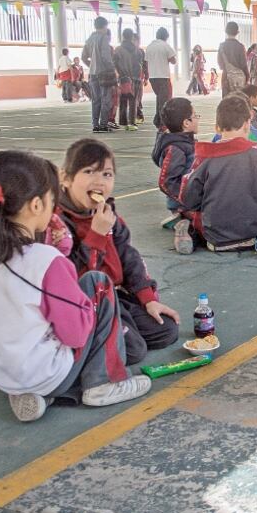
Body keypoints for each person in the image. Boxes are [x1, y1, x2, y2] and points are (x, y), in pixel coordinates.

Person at [0, 150, 152, 422]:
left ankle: (34, 395)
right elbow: (76, 336)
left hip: (4, 374)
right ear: (35, 206)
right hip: (47, 373)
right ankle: (104, 382)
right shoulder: (45, 260)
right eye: (51, 201)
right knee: (98, 284)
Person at [58, 139, 180, 364]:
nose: (99, 181)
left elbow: (129, 256)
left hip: (115, 296)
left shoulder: (108, 214)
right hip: (84, 305)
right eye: (89, 172)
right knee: (134, 350)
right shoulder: (59, 224)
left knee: (166, 330)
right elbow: (70, 279)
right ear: (65, 178)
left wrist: (148, 299)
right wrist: (95, 235)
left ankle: (119, 330)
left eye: (107, 174)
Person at [179, 95, 257, 252]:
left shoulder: (204, 155)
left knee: (191, 210)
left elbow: (188, 198)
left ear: (217, 127)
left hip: (215, 238)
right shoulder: (256, 152)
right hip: (254, 234)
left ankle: (186, 230)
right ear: (247, 124)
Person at [151, 97, 197, 236]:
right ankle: (182, 222)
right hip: (184, 203)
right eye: (195, 116)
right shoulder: (176, 148)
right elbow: (166, 182)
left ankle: (182, 220)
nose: (198, 119)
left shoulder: (184, 142)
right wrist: (186, 200)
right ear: (186, 123)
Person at [81, 17, 116, 134]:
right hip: (104, 73)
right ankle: (103, 125)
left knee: (95, 100)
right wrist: (112, 69)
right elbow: (106, 57)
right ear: (104, 26)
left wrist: (91, 65)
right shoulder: (104, 38)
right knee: (106, 99)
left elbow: (83, 57)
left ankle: (95, 125)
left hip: (92, 74)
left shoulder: (89, 39)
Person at [145, 27, 177, 130]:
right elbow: (173, 60)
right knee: (165, 100)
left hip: (153, 77)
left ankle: (157, 120)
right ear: (166, 37)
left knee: (159, 98)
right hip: (163, 76)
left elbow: (146, 62)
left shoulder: (149, 46)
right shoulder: (165, 46)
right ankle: (162, 123)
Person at [113, 29, 143, 131]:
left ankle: (123, 121)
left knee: (123, 99)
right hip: (135, 78)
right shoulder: (137, 50)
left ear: (123, 36)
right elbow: (140, 65)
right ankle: (132, 122)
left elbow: (114, 63)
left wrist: (121, 73)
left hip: (123, 78)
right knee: (133, 100)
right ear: (131, 37)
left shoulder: (118, 50)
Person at [217, 21, 248, 97]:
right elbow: (244, 64)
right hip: (239, 79)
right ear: (237, 32)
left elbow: (220, 64)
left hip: (226, 77)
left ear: (226, 31)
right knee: (239, 100)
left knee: (227, 101)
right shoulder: (241, 47)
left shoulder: (222, 46)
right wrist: (247, 77)